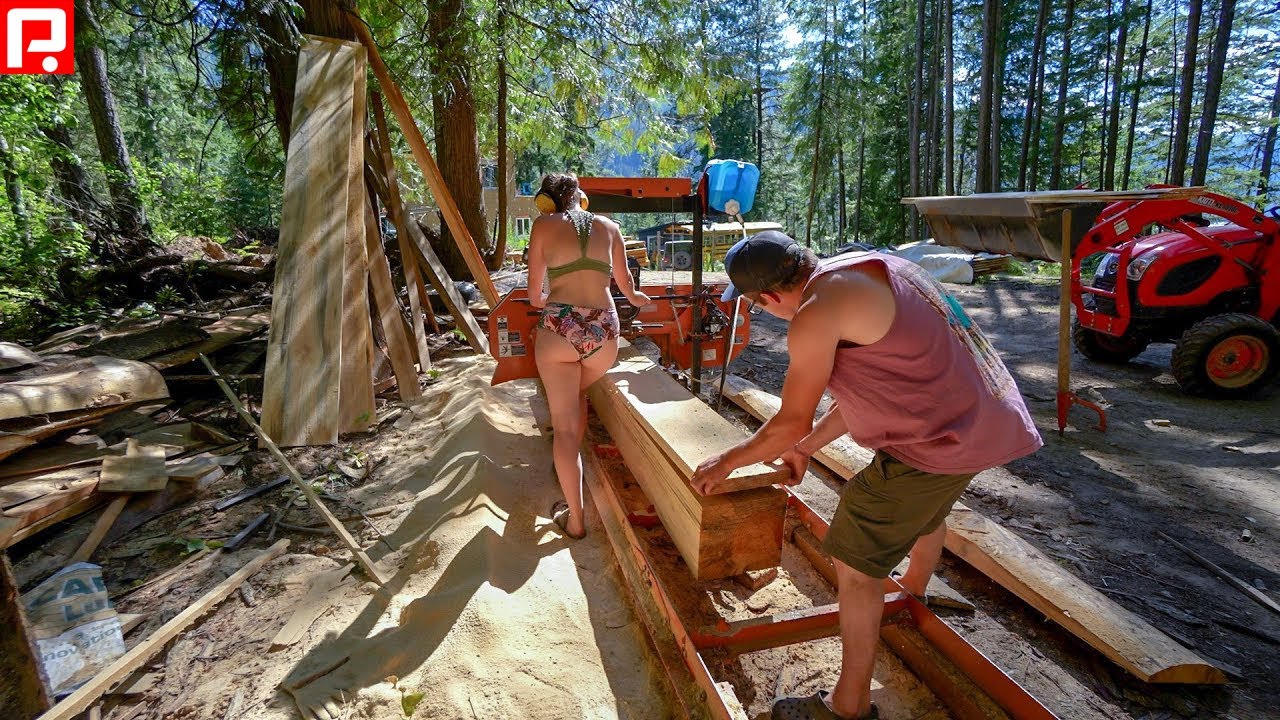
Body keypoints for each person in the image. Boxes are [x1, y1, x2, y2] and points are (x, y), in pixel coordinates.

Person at [690, 231, 1042, 720]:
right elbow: (871, 387)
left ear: (767, 298)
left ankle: (846, 707)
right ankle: (913, 593)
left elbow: (790, 418)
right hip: (985, 422)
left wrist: (727, 461)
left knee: (856, 564)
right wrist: (807, 447)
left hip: (940, 442)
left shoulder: (814, 314)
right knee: (922, 512)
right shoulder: (870, 265)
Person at [526, 173, 650, 539]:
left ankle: (576, 520)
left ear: (547, 201)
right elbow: (628, 287)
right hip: (604, 335)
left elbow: (535, 294)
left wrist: (554, 305)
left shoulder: (542, 225)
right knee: (577, 393)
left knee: (563, 428)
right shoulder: (610, 226)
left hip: (560, 331)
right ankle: (570, 463)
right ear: (582, 200)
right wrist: (638, 299)